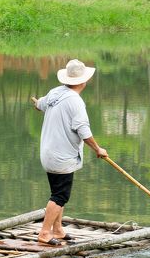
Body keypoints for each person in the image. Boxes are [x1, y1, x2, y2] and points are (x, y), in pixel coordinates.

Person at [29, 59, 107, 246]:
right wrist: (98, 149)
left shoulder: (56, 92)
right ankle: (45, 233)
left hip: (49, 152)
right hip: (61, 156)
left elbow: (40, 104)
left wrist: (38, 102)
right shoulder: (75, 101)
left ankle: (58, 230)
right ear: (83, 81)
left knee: (58, 192)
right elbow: (83, 130)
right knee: (60, 195)